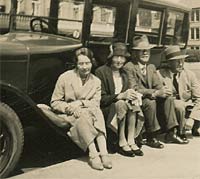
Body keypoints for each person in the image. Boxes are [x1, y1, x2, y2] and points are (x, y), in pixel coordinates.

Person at [50, 47, 112, 170]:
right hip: (68, 114)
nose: (85, 67)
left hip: (88, 111)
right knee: (83, 115)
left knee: (95, 112)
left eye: (87, 63)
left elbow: (95, 103)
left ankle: (104, 152)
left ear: (92, 62)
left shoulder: (96, 81)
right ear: (76, 64)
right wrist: (70, 108)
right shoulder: (65, 77)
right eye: (81, 63)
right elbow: (54, 102)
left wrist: (80, 103)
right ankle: (94, 154)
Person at [124, 35, 188, 148]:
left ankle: (171, 132)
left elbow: (158, 85)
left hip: (150, 97)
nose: (145, 53)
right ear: (134, 53)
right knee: (150, 102)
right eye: (142, 51)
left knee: (168, 98)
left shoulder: (151, 67)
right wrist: (155, 93)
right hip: (137, 100)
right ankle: (151, 136)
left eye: (147, 50)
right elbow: (133, 88)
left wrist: (163, 91)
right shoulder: (129, 67)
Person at [95, 42, 144, 157]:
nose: (120, 60)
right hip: (107, 108)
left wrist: (133, 95)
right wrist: (119, 96)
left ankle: (131, 139)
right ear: (111, 57)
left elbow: (127, 92)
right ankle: (121, 140)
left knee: (133, 103)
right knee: (121, 103)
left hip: (122, 107)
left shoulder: (124, 74)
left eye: (122, 58)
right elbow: (101, 99)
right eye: (117, 57)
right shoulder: (101, 72)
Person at [157, 45, 200, 138]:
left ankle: (194, 126)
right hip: (170, 111)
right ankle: (178, 132)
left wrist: (192, 118)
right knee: (178, 105)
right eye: (177, 61)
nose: (181, 64)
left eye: (182, 60)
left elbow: (198, 97)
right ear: (169, 63)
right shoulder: (159, 75)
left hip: (187, 108)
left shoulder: (190, 75)